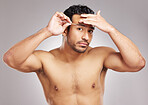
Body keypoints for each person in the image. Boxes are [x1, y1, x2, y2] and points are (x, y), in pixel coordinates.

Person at [3, 4, 146, 105]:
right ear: (65, 30)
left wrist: (111, 30)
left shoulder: (101, 55)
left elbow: (137, 63)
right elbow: (11, 59)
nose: (86, 37)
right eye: (80, 29)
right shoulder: (46, 60)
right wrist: (47, 31)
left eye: (90, 31)